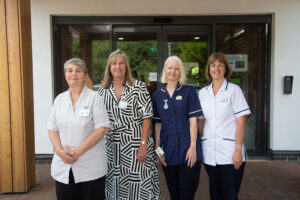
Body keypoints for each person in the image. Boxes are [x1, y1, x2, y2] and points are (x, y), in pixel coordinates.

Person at [98, 50, 160, 200]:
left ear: (127, 66)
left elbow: (147, 117)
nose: (117, 66)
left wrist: (143, 145)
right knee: (115, 184)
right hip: (112, 147)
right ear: (109, 67)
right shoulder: (102, 91)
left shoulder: (138, 87)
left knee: (139, 184)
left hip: (135, 145)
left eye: (121, 63)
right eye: (114, 63)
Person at [47, 58, 111, 200]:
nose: (73, 74)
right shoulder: (59, 100)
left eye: (78, 71)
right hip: (64, 163)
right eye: (70, 70)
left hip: (90, 165)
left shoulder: (95, 98)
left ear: (84, 75)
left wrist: (78, 151)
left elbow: (101, 129)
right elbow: (52, 128)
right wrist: (58, 150)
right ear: (65, 75)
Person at [198, 52, 251, 200]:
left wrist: (238, 150)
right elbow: (201, 122)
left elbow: (241, 121)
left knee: (230, 195)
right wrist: (203, 144)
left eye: (220, 65)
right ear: (209, 70)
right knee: (215, 194)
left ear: (226, 69)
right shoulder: (203, 93)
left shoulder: (234, 90)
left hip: (230, 154)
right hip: (210, 154)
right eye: (213, 65)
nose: (217, 68)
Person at [152, 56, 202, 200]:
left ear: (180, 72)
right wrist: (158, 149)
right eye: (170, 68)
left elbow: (193, 121)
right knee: (174, 193)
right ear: (165, 71)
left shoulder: (189, 92)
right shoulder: (157, 96)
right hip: (169, 152)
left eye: (176, 68)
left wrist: (193, 146)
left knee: (187, 194)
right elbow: (158, 124)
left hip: (189, 153)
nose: (173, 71)